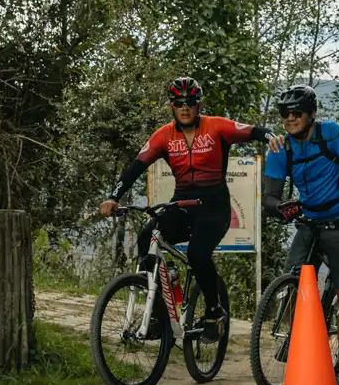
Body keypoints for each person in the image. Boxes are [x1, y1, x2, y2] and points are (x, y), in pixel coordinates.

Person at [100, 77, 269, 344]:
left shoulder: (216, 127)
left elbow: (253, 130)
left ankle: (214, 312)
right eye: (179, 103)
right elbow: (135, 168)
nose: (185, 107)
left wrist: (273, 136)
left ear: (199, 104)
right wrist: (113, 197)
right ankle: (160, 312)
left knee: (197, 254)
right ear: (172, 106)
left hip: (214, 207)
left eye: (190, 102)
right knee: (147, 238)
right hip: (181, 203)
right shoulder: (163, 135)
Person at [262, 84, 339, 385]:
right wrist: (281, 206)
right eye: (285, 114)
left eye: (297, 113)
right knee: (291, 283)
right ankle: (296, 338)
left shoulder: (331, 134)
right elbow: (269, 198)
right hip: (309, 221)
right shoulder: (281, 147)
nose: (290, 119)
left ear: (311, 114)